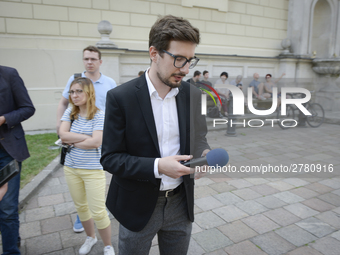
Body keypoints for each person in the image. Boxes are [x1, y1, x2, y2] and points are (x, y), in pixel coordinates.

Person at [101, 15, 211, 255]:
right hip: (136, 206)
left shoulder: (193, 95)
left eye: (190, 60)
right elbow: (110, 158)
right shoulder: (121, 98)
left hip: (181, 204)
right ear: (154, 53)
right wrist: (158, 166)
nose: (185, 69)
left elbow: (200, 137)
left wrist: (204, 152)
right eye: (178, 59)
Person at [56, 45, 116, 233]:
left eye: (92, 59)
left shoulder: (109, 82)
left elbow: (116, 109)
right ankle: (82, 217)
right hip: (80, 132)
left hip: (102, 133)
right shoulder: (74, 80)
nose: (89, 62)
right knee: (79, 179)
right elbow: (64, 102)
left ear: (100, 61)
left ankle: (100, 207)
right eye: (86, 59)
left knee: (99, 173)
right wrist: (60, 127)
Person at [59, 77, 115, 255]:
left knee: (98, 211)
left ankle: (108, 245)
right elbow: (62, 134)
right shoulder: (70, 112)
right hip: (71, 168)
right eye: (72, 92)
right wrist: (85, 138)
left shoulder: (99, 114)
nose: (74, 95)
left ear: (89, 93)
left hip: (92, 170)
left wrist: (71, 140)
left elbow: (96, 142)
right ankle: (91, 238)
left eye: (79, 91)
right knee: (81, 207)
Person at [0, 65, 35, 255]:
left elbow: (28, 108)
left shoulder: (8, 74)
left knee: (6, 207)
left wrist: (4, 118)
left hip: (7, 151)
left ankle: (11, 250)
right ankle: (12, 236)